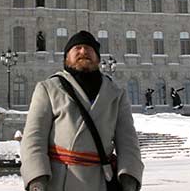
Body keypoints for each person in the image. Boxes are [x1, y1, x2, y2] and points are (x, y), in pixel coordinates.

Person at [21, 30, 143, 191]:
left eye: (89, 48)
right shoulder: (48, 89)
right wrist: (37, 178)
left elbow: (128, 142)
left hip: (101, 181)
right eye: (77, 48)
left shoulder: (116, 94)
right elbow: (34, 137)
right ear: (66, 57)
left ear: (98, 58)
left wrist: (129, 177)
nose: (83, 51)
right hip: (60, 181)